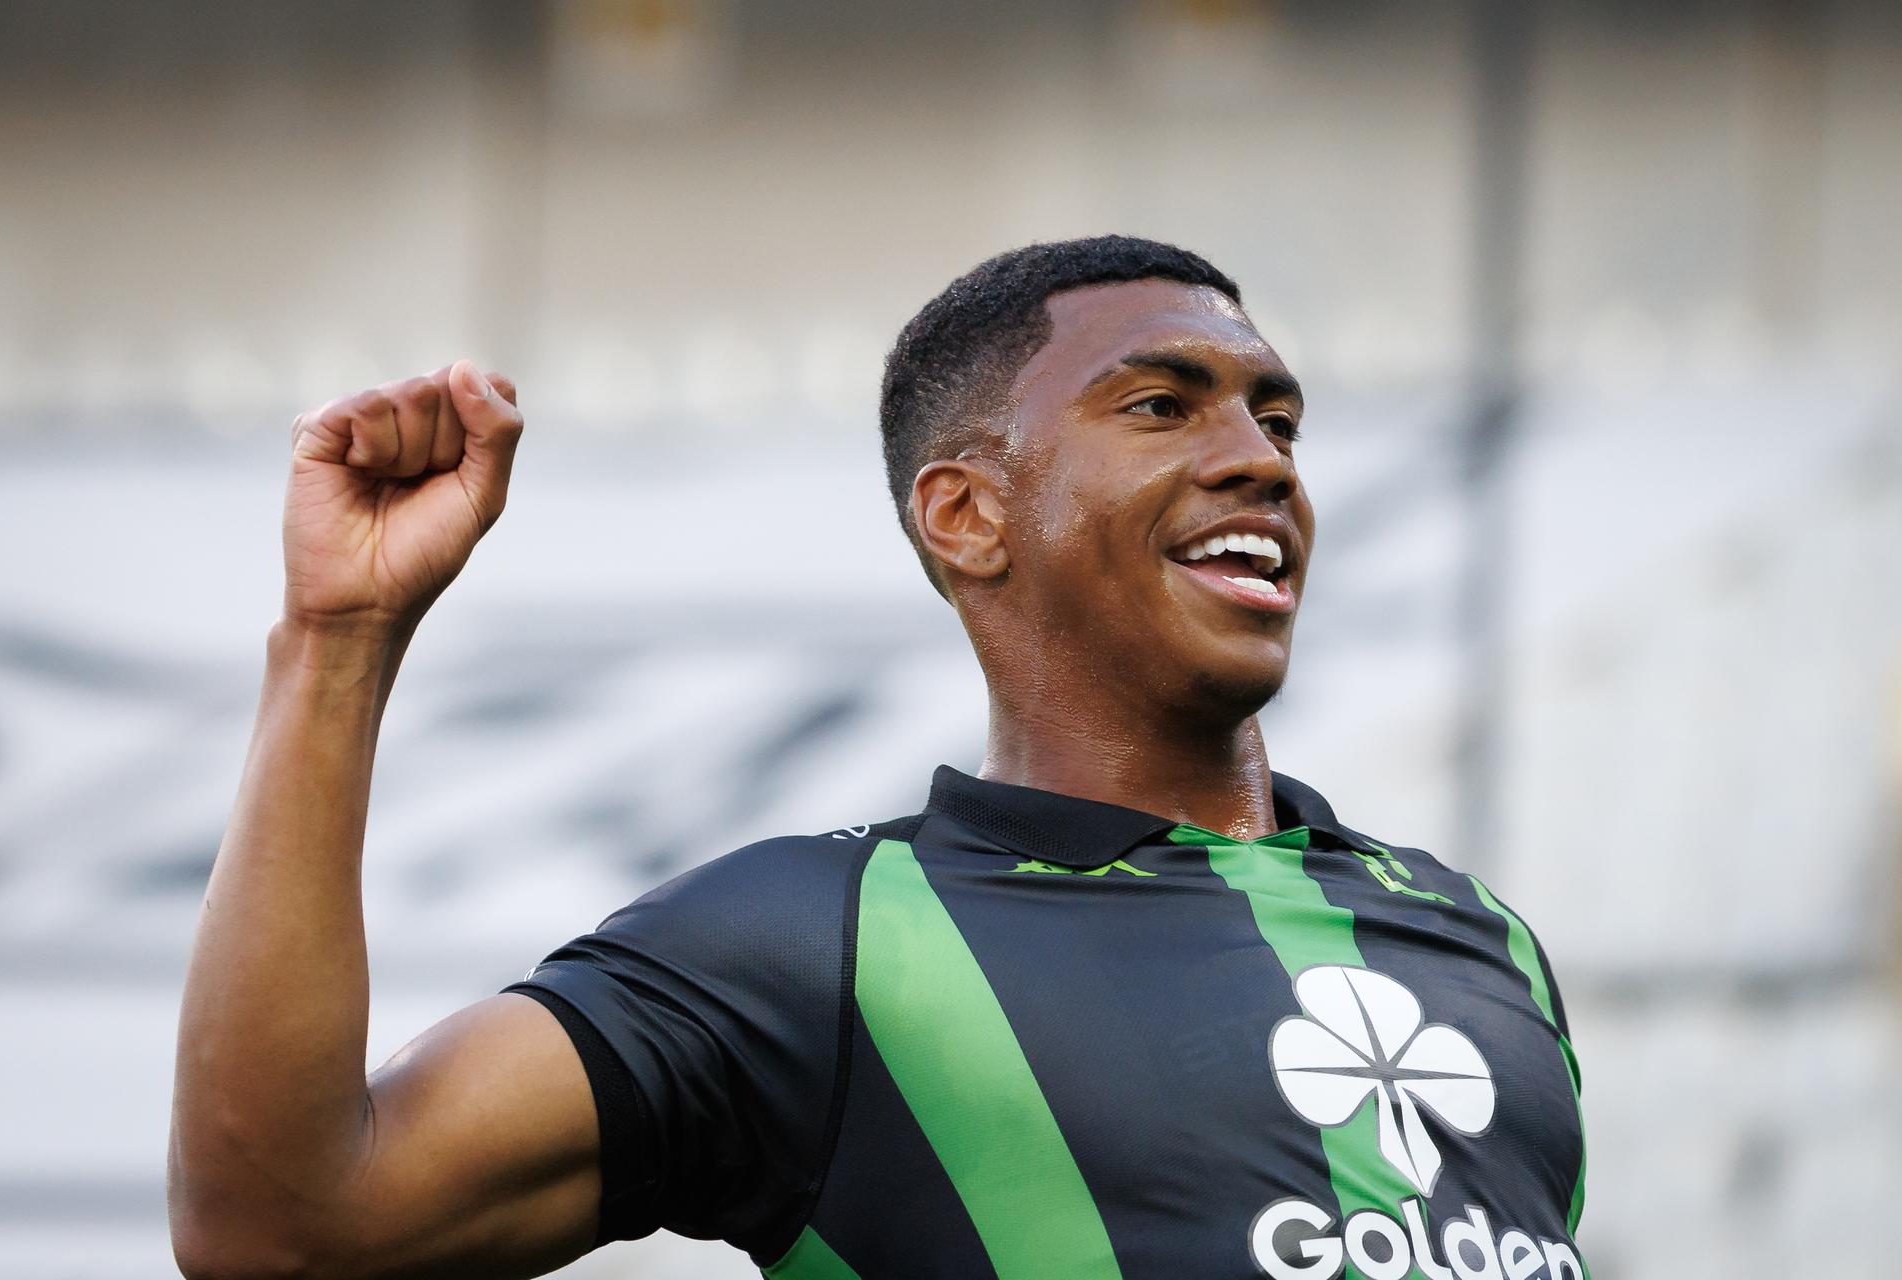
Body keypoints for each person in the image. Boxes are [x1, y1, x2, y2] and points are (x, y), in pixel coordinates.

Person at [169, 236, 1588, 1280]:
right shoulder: (816, 947)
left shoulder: (1478, 939)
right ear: (967, 517)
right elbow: (285, 1226)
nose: (1262, 458)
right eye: (1165, 407)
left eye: (1275, 419)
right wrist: (337, 638)